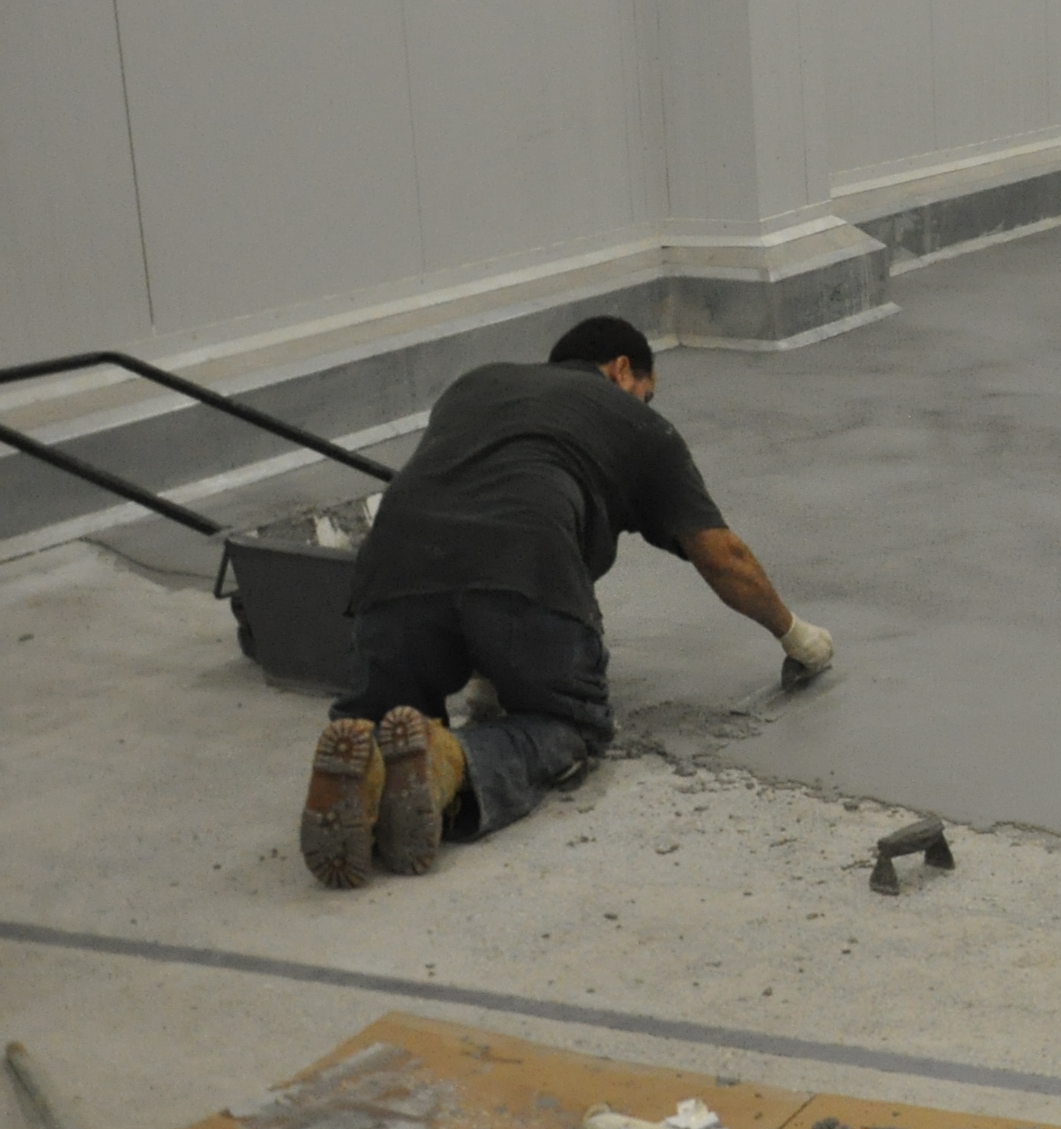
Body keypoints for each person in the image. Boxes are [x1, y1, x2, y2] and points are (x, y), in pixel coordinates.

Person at [295, 317, 834, 888]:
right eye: (647, 391)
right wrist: (795, 635)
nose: (646, 403)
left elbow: (465, 522)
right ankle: (442, 764)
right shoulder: (639, 424)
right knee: (567, 726)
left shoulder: (475, 385)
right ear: (621, 370)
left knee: (381, 712)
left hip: (391, 566)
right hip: (525, 568)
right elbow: (723, 557)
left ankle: (367, 761)